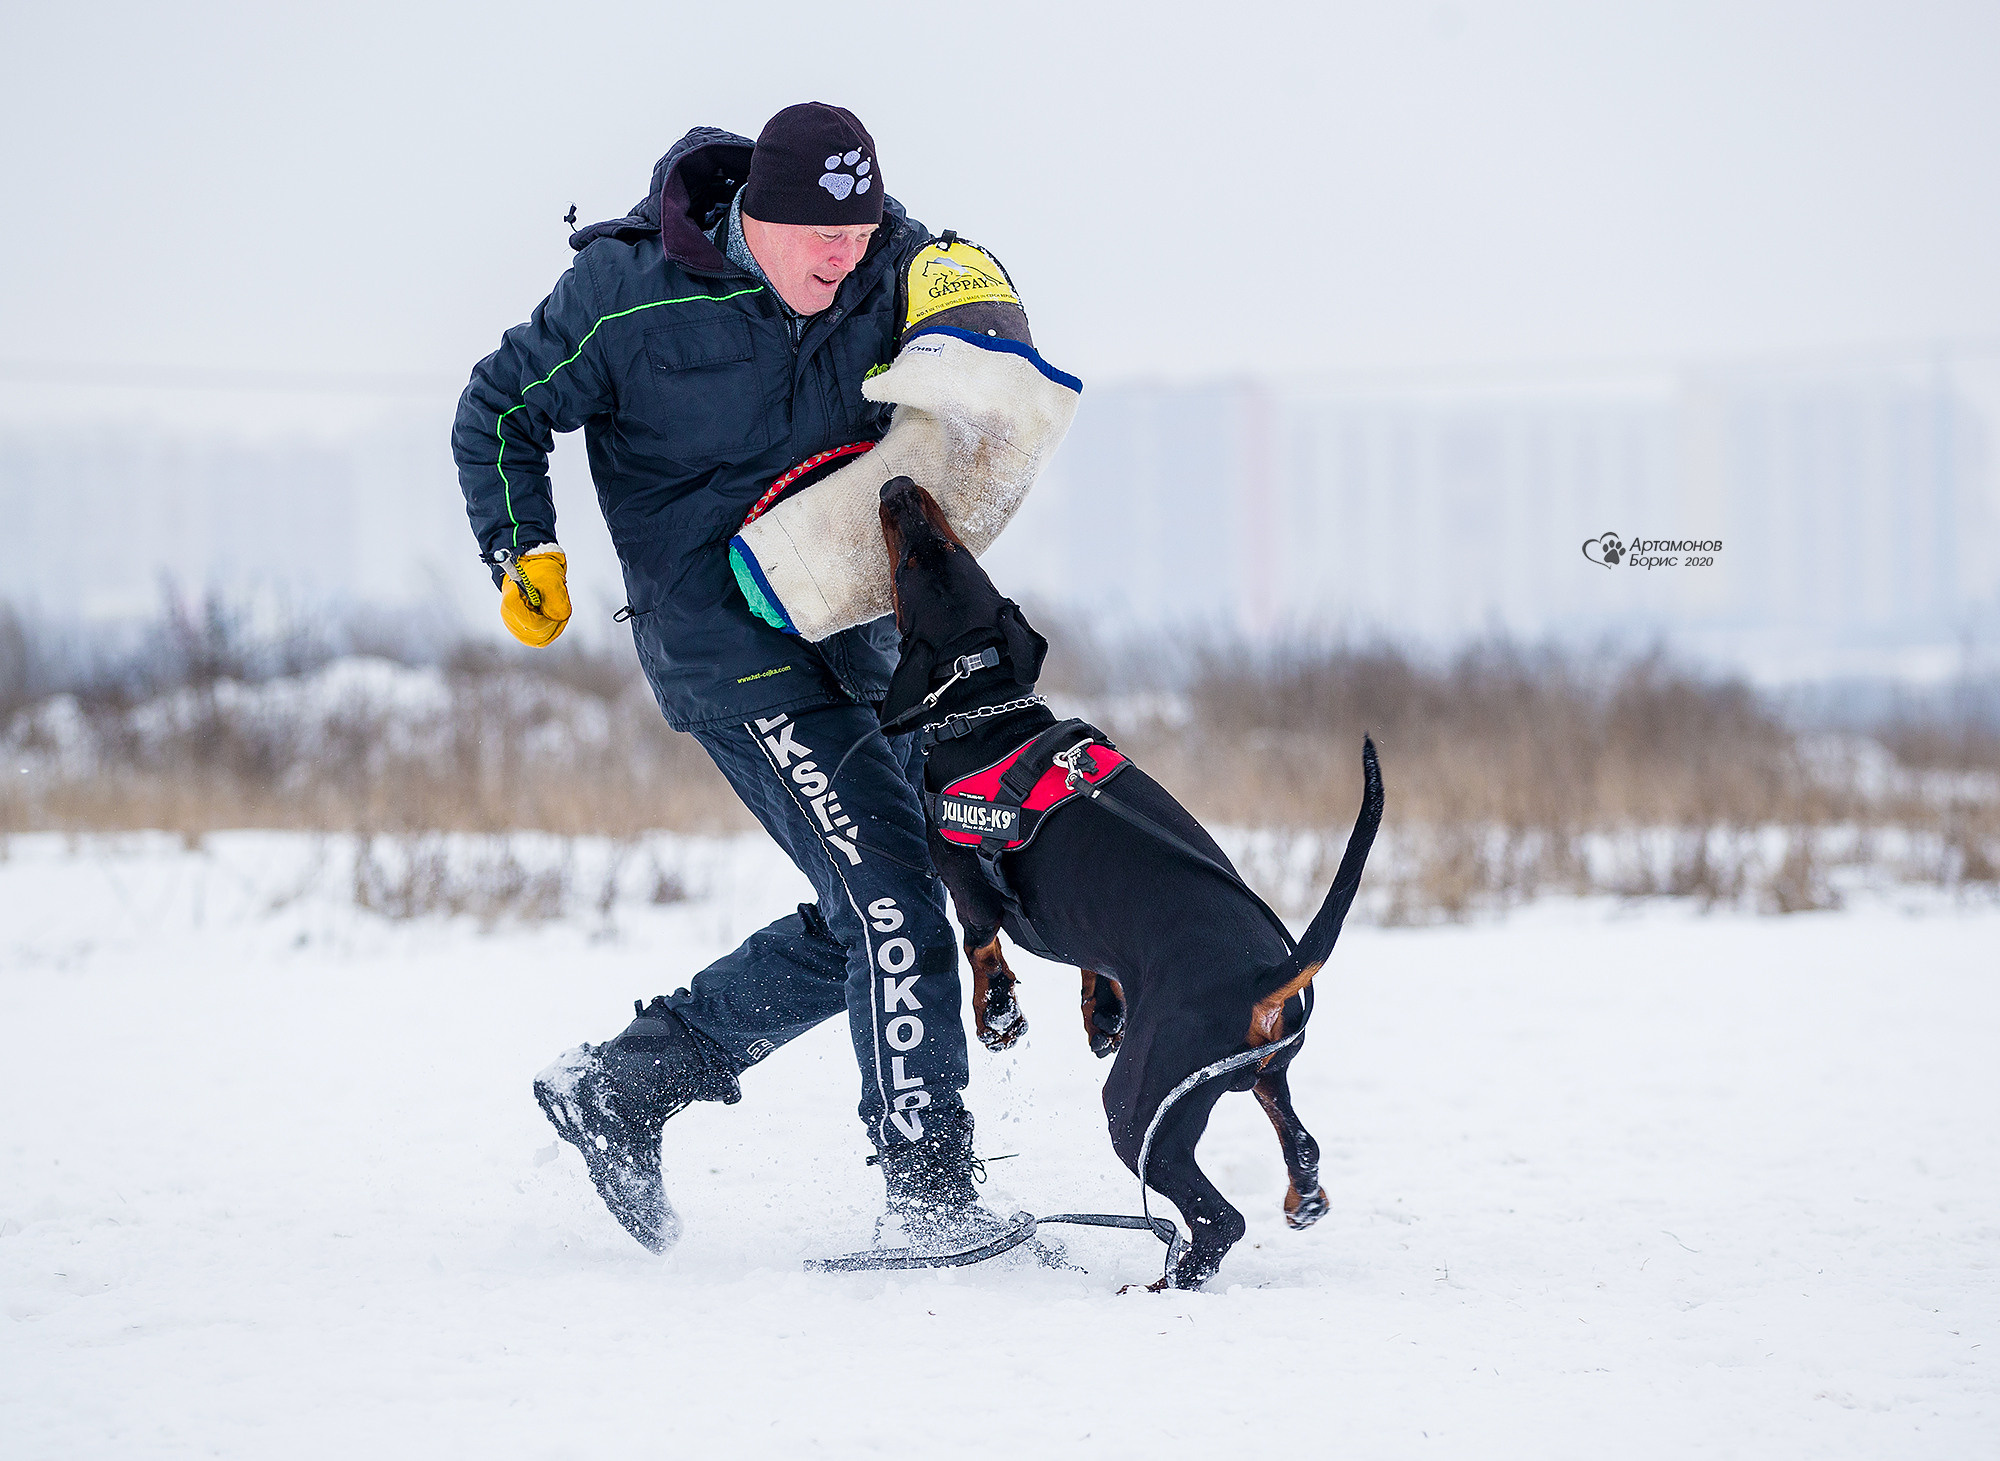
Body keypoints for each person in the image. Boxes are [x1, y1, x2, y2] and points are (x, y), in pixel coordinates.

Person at [451, 104, 1015, 1255]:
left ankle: (625, 1085)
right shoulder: (627, 293)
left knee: (873, 905)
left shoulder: (891, 267)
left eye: (858, 238)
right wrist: (525, 549)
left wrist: (980, 288)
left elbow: (980, 336)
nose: (839, 260)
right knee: (893, 901)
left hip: (853, 627)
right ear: (756, 213)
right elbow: (499, 409)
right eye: (817, 237)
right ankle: (931, 1191)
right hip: (726, 640)